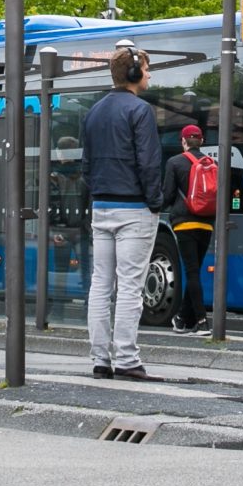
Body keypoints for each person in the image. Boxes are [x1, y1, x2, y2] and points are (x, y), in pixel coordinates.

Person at [81, 46, 169, 380]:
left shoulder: (94, 111)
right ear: (133, 73)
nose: (149, 74)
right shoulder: (140, 110)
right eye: (146, 69)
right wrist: (155, 201)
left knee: (100, 284)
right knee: (131, 285)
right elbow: (148, 162)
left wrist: (99, 192)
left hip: (102, 206)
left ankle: (100, 359)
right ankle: (128, 359)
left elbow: (86, 165)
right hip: (134, 208)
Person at [163, 124, 215, 334]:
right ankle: (183, 320)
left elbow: (167, 195)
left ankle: (202, 322)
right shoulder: (212, 164)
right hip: (206, 224)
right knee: (195, 271)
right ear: (201, 141)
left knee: (191, 273)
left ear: (183, 141)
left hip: (184, 223)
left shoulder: (174, 162)